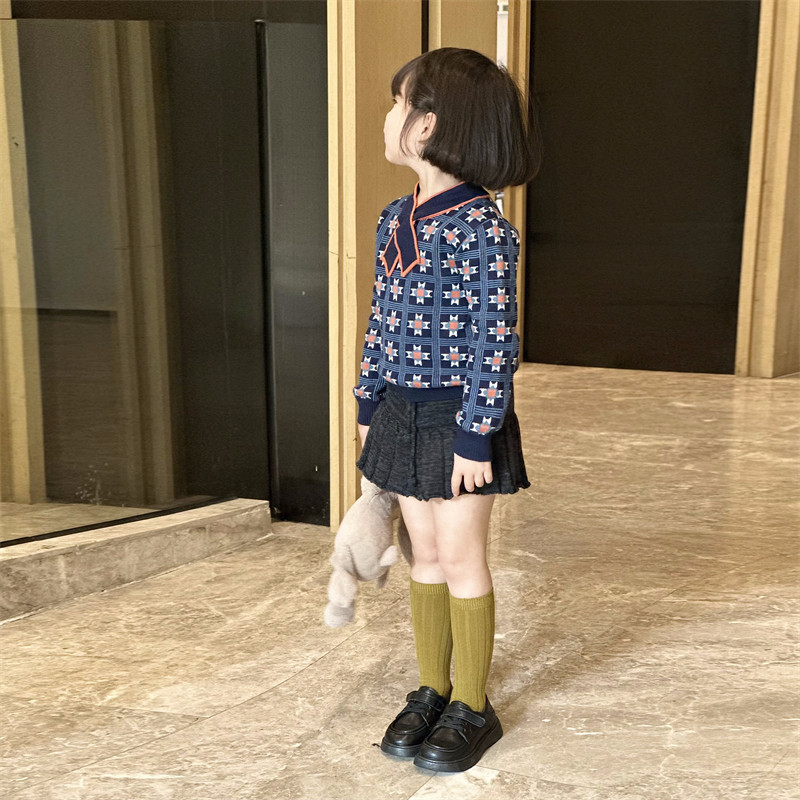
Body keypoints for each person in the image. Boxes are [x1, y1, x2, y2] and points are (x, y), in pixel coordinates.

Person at [353, 47, 542, 773]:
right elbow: (381, 319)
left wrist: (475, 436)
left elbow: (496, 343)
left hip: (460, 421)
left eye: (397, 103)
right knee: (423, 554)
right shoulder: (393, 219)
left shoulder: (482, 231)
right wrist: (368, 399)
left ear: (428, 125)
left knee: (462, 557)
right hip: (400, 411)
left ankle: (471, 703)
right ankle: (431, 687)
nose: (389, 116)